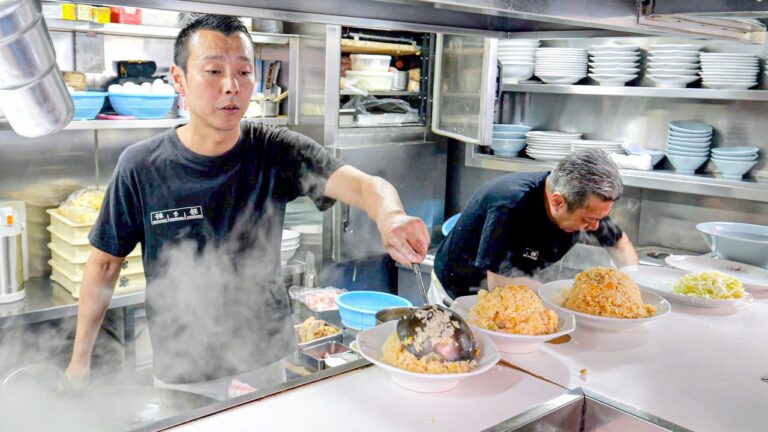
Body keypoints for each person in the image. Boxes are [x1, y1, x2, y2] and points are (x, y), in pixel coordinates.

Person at [65, 15, 429, 400]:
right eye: (213, 71)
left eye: (243, 71)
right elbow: (104, 265)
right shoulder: (141, 166)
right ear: (178, 78)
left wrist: (391, 215)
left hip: (265, 360)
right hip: (183, 369)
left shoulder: (274, 149)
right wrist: (79, 361)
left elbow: (365, 185)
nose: (231, 86)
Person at [431, 148, 639, 302]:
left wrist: (631, 287)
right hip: (462, 294)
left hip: (516, 286)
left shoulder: (587, 203)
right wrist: (568, 297)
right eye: (587, 220)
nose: (595, 227)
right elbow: (499, 283)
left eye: (599, 218)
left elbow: (620, 244)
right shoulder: (510, 206)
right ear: (557, 202)